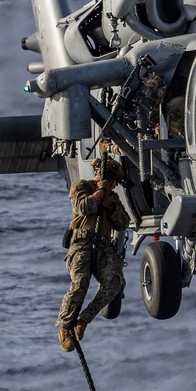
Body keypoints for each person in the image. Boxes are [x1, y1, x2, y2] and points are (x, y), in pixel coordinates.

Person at [56, 143, 130, 351]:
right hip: (81, 244)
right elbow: (84, 206)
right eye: (114, 182)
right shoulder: (80, 186)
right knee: (81, 283)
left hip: (103, 248)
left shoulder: (112, 198)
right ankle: (64, 325)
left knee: (114, 281)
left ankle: (84, 320)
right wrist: (100, 193)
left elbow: (123, 223)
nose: (114, 187)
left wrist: (110, 203)